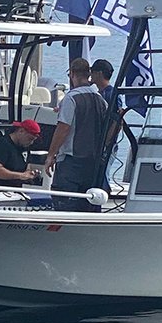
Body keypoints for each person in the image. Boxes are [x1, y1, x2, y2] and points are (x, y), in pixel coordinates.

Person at [46, 58, 111, 211]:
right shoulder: (100, 99)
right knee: (88, 204)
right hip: (93, 162)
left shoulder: (71, 98)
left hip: (71, 162)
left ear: (72, 74)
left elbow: (63, 128)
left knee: (64, 204)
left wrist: (51, 155)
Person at [0, 119, 44, 186]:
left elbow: (26, 167)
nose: (31, 142)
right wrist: (20, 176)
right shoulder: (2, 144)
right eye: (30, 139)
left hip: (14, 191)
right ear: (21, 131)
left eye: (33, 140)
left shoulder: (24, 147)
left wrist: (30, 174)